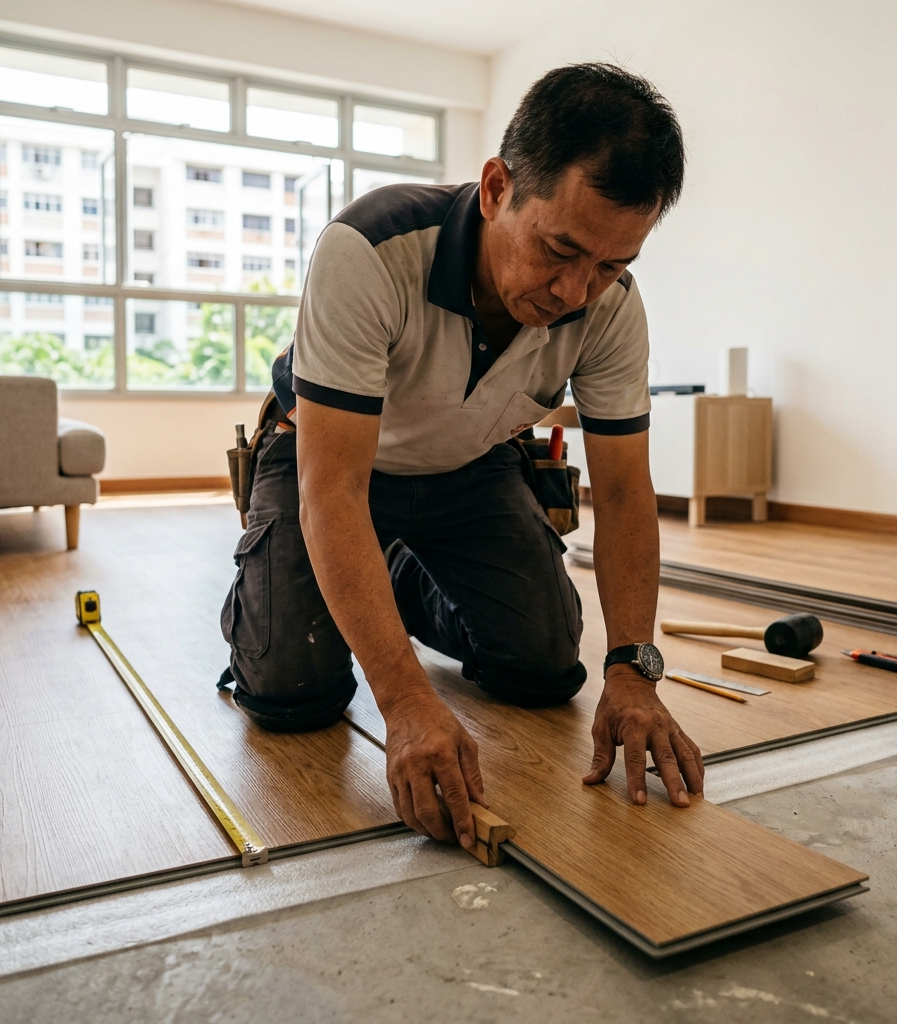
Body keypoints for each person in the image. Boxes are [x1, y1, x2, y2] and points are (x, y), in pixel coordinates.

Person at [219, 62, 704, 852]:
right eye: (559, 249)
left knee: (545, 670)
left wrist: (633, 669)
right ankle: (311, 585)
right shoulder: (370, 248)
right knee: (289, 693)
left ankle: (391, 577)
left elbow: (622, 494)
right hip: (330, 466)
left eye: (612, 265)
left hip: (469, 467)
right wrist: (407, 701)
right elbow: (332, 490)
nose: (575, 292)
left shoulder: (610, 306)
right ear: (495, 189)